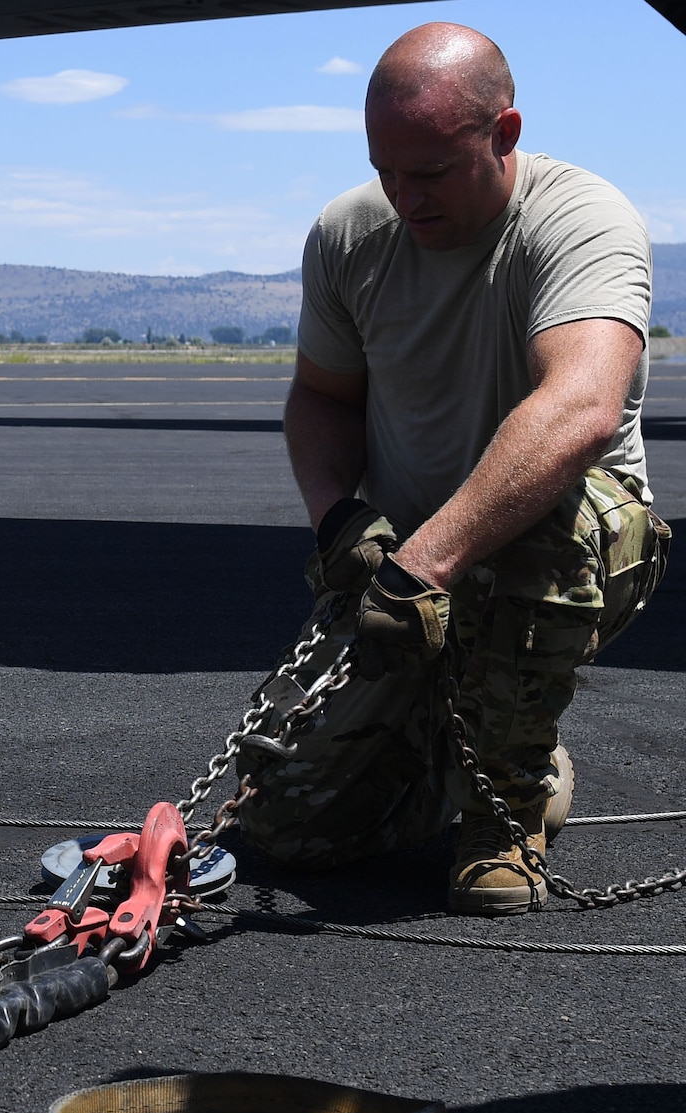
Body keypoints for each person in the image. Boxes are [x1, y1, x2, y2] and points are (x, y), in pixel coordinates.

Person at [236, 23, 667, 916]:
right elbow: (321, 399)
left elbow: (578, 412)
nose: (403, 197)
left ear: (503, 135)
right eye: (386, 171)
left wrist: (425, 563)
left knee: (542, 513)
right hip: (407, 568)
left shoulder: (583, 220)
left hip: (569, 543)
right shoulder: (352, 234)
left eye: (429, 173)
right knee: (289, 830)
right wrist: (338, 521)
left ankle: (505, 806)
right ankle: (473, 747)